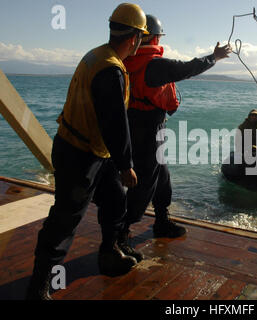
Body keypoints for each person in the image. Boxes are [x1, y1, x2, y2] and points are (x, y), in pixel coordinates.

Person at [26, 3, 148, 300]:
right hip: (79, 153)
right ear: (133, 38)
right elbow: (114, 124)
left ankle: (110, 252)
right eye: (141, 38)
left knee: (115, 200)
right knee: (65, 218)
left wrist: (115, 162)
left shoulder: (98, 55)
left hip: (93, 150)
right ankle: (39, 285)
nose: (140, 43)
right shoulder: (111, 70)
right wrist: (125, 165)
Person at [122, 14, 231, 241]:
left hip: (134, 125)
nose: (159, 42)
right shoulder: (153, 65)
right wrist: (215, 57)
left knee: (162, 177)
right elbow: (187, 68)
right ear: (151, 37)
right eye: (159, 38)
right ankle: (121, 230)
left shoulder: (125, 61)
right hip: (149, 128)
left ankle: (162, 220)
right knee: (146, 181)